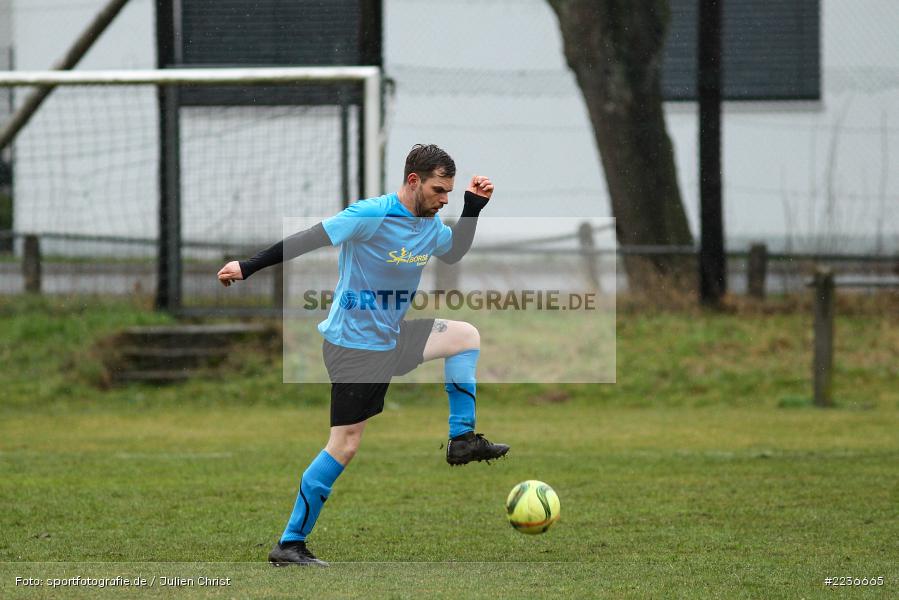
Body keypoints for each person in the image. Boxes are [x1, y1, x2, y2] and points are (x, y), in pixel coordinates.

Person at [216, 144, 509, 567]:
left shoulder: (429, 223)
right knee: (345, 444)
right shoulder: (371, 214)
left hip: (389, 338)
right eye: (438, 190)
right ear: (413, 181)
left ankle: (462, 440)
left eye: (448, 192)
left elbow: (453, 251)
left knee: (464, 336)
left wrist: (472, 208)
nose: (444, 198)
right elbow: (310, 238)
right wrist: (248, 265)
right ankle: (290, 543)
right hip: (353, 347)